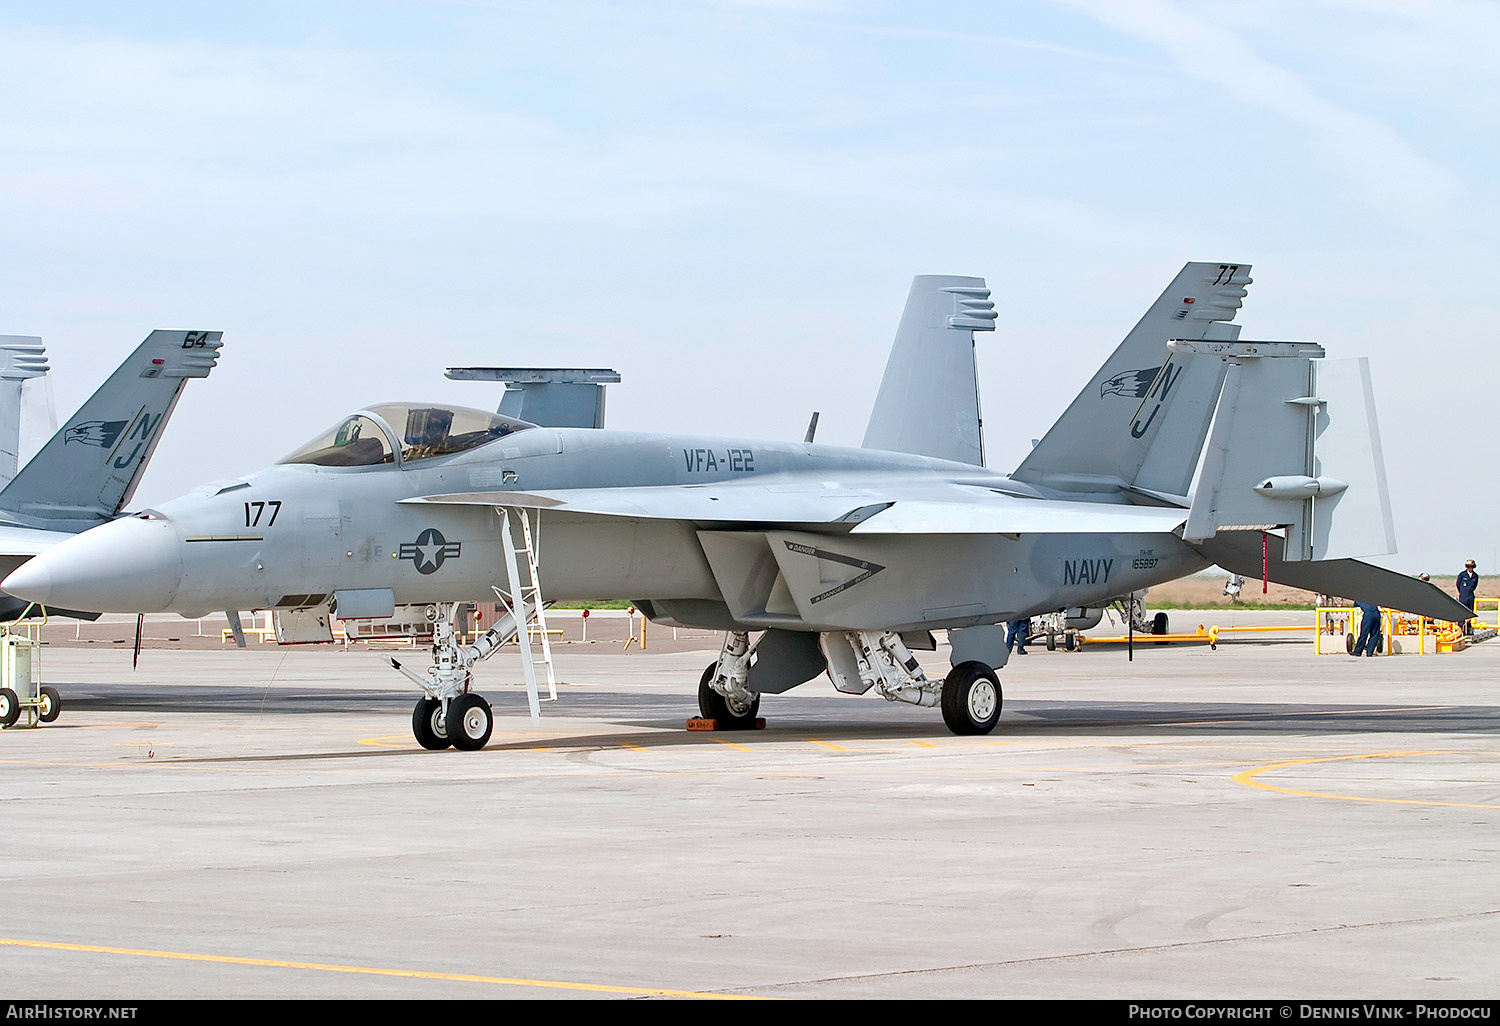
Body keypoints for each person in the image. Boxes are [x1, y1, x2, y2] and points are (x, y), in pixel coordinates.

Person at [1457, 560, 1479, 636]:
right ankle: (1460, 629)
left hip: (1470, 596)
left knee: (1469, 613)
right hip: (1463, 596)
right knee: (1461, 613)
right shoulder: (1462, 575)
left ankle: (1469, 629)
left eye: (1471, 567)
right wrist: (1462, 592)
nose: (1470, 568)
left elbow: (1474, 586)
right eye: (1468, 567)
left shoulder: (1475, 576)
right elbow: (1458, 584)